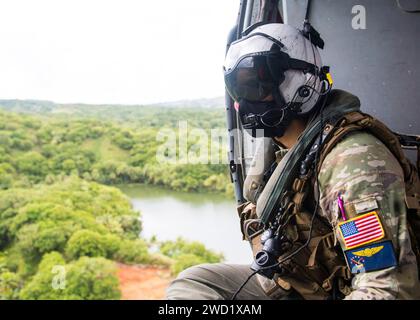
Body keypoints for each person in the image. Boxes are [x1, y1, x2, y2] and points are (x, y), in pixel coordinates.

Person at [166, 23, 420, 300]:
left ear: (301, 85)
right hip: (301, 284)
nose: (244, 103)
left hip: (344, 292)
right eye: (238, 90)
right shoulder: (282, 151)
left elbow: (387, 290)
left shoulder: (353, 163)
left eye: (256, 87)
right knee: (196, 284)